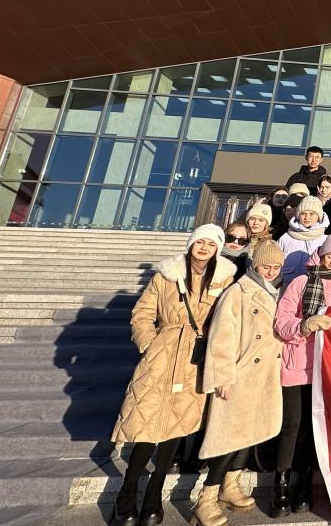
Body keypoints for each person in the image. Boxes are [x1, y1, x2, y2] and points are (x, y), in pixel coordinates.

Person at [111, 225, 237, 526]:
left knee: (177, 425)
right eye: (200, 242)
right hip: (162, 355)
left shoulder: (224, 279)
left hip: (196, 358)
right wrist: (149, 344)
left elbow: (228, 321)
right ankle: (128, 490)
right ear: (191, 243)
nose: (204, 248)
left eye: (211, 243)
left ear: (218, 249)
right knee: (147, 422)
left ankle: (154, 491)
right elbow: (143, 313)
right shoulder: (166, 275)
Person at [190, 241, 284, 526]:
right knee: (227, 438)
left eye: (276, 267)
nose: (271, 271)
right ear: (255, 265)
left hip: (265, 376)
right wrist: (222, 376)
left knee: (249, 435)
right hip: (239, 374)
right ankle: (206, 498)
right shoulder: (238, 291)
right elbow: (222, 336)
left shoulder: (277, 292)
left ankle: (230, 486)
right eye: (266, 266)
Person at [272, 235, 331, 516]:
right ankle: (280, 484)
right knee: (292, 425)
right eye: (330, 255)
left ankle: (304, 485)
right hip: (297, 362)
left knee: (313, 427)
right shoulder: (301, 281)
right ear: (321, 253)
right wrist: (305, 325)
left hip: (326, 367)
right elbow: (281, 321)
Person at [279, 196, 329, 287]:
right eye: (303, 213)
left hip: (313, 288)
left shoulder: (325, 240)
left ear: (318, 216)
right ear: (298, 215)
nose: (307, 217)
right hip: (286, 285)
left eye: (312, 214)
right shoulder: (286, 237)